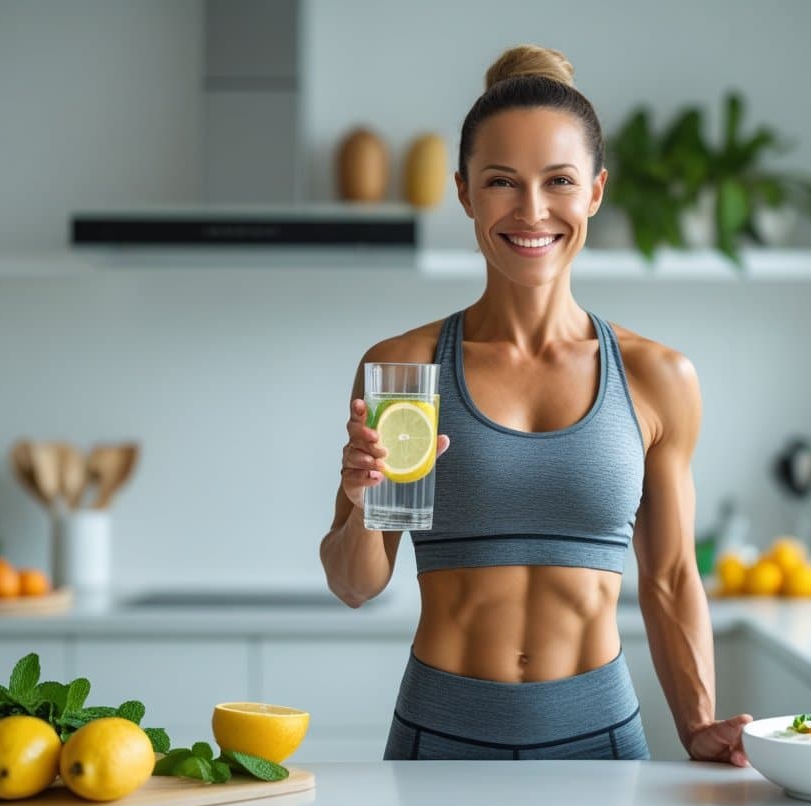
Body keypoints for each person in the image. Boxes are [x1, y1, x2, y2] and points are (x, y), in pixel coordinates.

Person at [320, 44, 753, 764]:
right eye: (501, 182)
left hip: (602, 740)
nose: (531, 211)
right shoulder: (406, 367)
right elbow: (354, 584)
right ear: (463, 192)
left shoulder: (656, 378)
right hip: (439, 741)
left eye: (558, 181)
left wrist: (698, 724)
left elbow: (672, 579)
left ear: (595, 191)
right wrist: (362, 497)